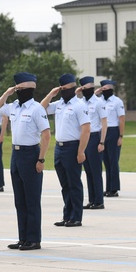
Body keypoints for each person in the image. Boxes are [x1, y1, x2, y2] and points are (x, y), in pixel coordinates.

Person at [0, 73, 50, 251]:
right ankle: (23, 237)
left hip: (31, 154)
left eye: (20, 89)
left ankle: (34, 239)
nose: (19, 91)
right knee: (20, 199)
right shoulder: (14, 106)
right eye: (17, 89)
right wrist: (7, 93)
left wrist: (41, 159)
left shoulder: (36, 108)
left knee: (31, 199)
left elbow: (46, 135)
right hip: (16, 154)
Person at [40, 74, 90, 227]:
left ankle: (76, 217)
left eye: (66, 88)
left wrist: (81, 151)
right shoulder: (59, 103)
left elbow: (86, 129)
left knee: (74, 183)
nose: (64, 91)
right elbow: (41, 108)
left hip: (73, 147)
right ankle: (67, 215)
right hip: (59, 148)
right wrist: (51, 94)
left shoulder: (79, 105)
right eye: (62, 89)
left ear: (73, 88)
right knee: (65, 185)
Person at [78, 76, 107, 210]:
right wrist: (77, 91)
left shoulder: (98, 102)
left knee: (95, 170)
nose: (84, 91)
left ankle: (99, 201)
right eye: (82, 88)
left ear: (92, 88)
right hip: (85, 137)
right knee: (88, 170)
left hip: (95, 136)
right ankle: (91, 199)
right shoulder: (81, 102)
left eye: (86, 88)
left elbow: (104, 122)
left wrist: (102, 141)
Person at [97, 79, 126, 197]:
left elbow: (122, 119)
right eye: (103, 89)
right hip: (103, 132)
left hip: (113, 131)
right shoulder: (99, 101)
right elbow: (87, 102)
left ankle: (114, 188)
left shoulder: (117, 101)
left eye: (107, 89)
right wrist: (96, 92)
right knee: (106, 161)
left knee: (113, 161)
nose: (105, 91)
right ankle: (108, 187)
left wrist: (121, 136)